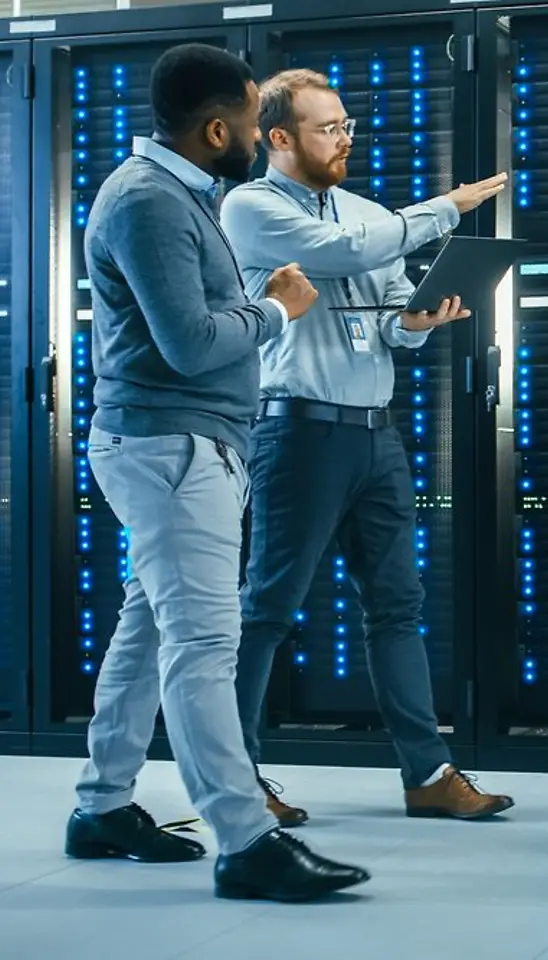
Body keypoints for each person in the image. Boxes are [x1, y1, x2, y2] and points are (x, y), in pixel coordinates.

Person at [65, 43, 370, 903]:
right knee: (205, 644)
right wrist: (276, 308)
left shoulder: (176, 193)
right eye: (247, 122)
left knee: (150, 633)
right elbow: (192, 346)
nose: (258, 136)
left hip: (183, 447)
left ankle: (101, 805)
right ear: (213, 128)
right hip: (171, 448)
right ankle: (248, 840)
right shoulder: (150, 202)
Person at [220, 68, 513, 826]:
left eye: (348, 125)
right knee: (269, 608)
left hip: (375, 435)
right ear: (279, 138)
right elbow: (347, 255)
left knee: (397, 607)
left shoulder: (364, 211)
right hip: (296, 431)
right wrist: (445, 209)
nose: (344, 138)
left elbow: (381, 305)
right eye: (328, 128)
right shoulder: (251, 207)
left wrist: (413, 324)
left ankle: (429, 775)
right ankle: (237, 778)